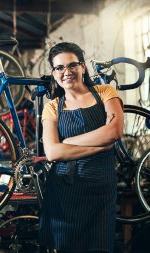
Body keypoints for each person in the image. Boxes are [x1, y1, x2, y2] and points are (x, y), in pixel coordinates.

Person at [40, 42, 124, 253]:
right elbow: (52, 152)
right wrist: (100, 146)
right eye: (59, 68)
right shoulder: (52, 107)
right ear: (53, 73)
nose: (66, 72)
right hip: (65, 191)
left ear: (83, 67)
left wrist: (68, 142)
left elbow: (114, 132)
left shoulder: (105, 92)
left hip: (101, 188)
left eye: (72, 65)